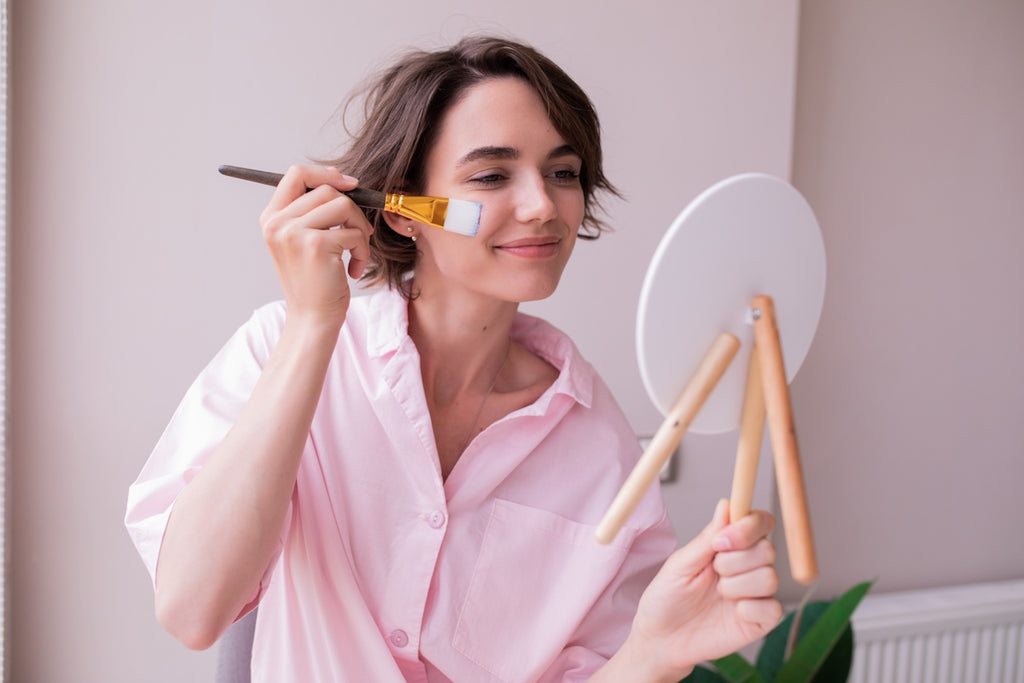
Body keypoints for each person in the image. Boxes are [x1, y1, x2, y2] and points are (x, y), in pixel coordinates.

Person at [125, 35, 781, 682]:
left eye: (563, 172)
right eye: (492, 175)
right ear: (403, 210)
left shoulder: (597, 444)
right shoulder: (279, 347)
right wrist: (313, 323)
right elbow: (192, 608)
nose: (541, 206)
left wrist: (651, 654)